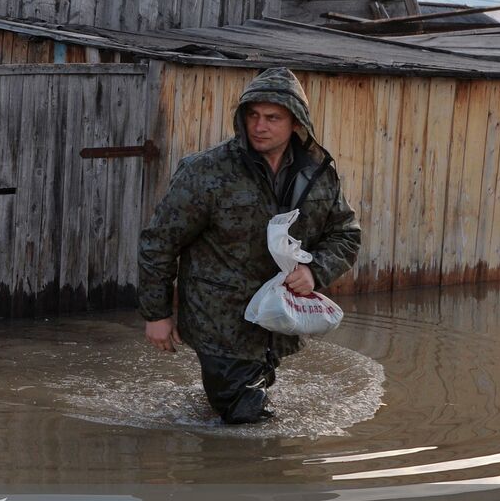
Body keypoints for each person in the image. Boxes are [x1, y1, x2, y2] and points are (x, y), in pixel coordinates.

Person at [138, 67, 361, 424]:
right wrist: (157, 314)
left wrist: (314, 271)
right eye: (253, 116)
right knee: (248, 422)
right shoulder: (206, 172)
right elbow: (159, 243)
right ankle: (255, 473)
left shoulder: (316, 175)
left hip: (278, 322)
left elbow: (346, 235)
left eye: (273, 118)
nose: (260, 126)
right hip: (220, 323)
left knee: (242, 406)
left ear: (295, 123)